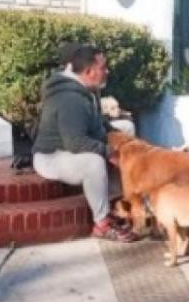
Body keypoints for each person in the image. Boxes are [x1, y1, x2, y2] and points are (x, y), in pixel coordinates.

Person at [32, 44, 136, 242]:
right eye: (103, 68)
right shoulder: (70, 99)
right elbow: (76, 143)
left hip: (72, 148)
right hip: (52, 156)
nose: (107, 71)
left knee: (127, 129)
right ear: (89, 71)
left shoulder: (86, 89)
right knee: (93, 162)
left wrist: (122, 139)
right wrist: (111, 153)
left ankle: (114, 198)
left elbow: (98, 123)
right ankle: (102, 224)